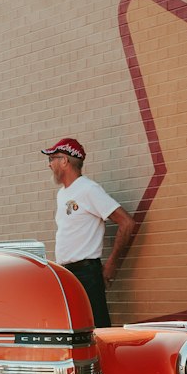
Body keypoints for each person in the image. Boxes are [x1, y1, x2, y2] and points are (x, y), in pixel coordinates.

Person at [41, 136, 135, 326]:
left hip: (87, 273)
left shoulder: (88, 189)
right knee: (73, 328)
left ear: (65, 161)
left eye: (52, 159)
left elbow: (126, 223)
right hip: (67, 273)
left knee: (98, 329)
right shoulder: (62, 194)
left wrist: (112, 264)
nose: (49, 165)